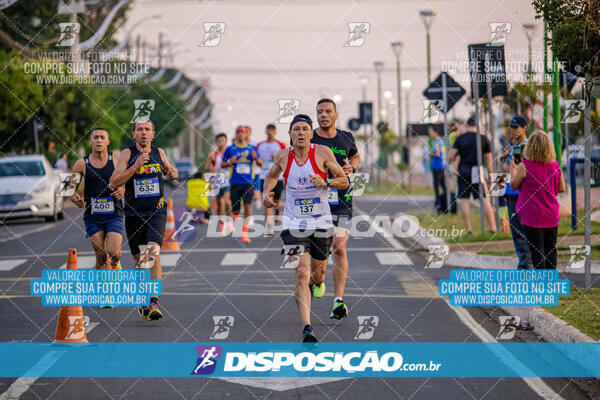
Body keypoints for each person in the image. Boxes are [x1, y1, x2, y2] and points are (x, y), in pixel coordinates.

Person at [262, 114, 349, 342]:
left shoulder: (322, 153)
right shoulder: (283, 155)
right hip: (293, 223)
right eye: (296, 129)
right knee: (301, 272)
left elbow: (344, 180)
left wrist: (326, 182)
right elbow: (271, 176)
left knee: (317, 274)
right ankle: (307, 328)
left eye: (305, 129)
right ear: (290, 134)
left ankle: (317, 283)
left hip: (321, 223)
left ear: (311, 133)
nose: (301, 133)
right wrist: (266, 192)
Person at [110, 120, 178, 321]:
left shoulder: (159, 152)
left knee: (153, 252)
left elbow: (170, 172)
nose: (143, 133)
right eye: (139, 130)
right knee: (140, 261)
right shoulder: (127, 155)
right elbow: (114, 182)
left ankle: (153, 301)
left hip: (157, 211)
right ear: (134, 134)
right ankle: (143, 298)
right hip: (133, 213)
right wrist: (135, 167)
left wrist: (172, 173)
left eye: (147, 129)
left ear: (153, 133)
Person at [310, 98, 360, 320]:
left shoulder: (346, 137)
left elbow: (355, 155)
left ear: (336, 115)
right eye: (320, 112)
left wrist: (353, 167)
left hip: (342, 199)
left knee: (339, 247)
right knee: (319, 252)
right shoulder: (309, 136)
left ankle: (338, 301)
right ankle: (317, 280)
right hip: (314, 201)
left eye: (328, 111)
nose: (324, 115)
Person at [70, 128, 125, 307]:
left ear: (108, 142)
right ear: (90, 142)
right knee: (101, 255)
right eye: (95, 137)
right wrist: (75, 198)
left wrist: (122, 190)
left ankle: (116, 264)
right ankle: (105, 295)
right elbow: (67, 188)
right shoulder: (82, 164)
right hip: (92, 217)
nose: (99, 140)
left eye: (102, 137)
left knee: (113, 251)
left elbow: (127, 182)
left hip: (114, 214)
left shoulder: (116, 161)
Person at [510, 131, 565, 269]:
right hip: (551, 215)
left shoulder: (524, 166)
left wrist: (513, 169)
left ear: (530, 147)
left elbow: (513, 185)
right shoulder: (555, 165)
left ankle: (541, 286)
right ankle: (551, 283)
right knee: (551, 250)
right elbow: (562, 188)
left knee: (537, 251)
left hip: (532, 216)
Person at [449, 116, 497, 234]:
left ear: (467, 125)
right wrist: (491, 176)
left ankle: (469, 229)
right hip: (477, 171)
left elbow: (451, 156)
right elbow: (489, 160)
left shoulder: (460, 139)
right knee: (484, 199)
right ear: (477, 125)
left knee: (464, 201)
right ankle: (493, 228)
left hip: (463, 171)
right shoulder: (483, 139)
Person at [221, 126, 263, 243]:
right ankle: (237, 216)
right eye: (238, 132)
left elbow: (260, 164)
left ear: (246, 135)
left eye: (242, 132)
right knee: (235, 210)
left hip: (248, 182)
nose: (240, 134)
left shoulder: (252, 148)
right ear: (235, 135)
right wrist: (230, 162)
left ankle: (244, 233)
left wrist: (256, 159)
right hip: (235, 182)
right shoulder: (230, 149)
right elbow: (222, 164)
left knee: (248, 207)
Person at [502, 116, 532, 269]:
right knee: (517, 229)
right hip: (512, 192)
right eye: (512, 127)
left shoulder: (523, 147)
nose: (513, 130)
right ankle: (525, 259)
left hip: (517, 193)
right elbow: (511, 170)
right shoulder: (516, 147)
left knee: (519, 230)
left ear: (524, 127)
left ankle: (525, 261)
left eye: (516, 127)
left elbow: (518, 173)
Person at [257, 124, 287, 236]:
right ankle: (269, 228)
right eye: (268, 130)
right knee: (267, 202)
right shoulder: (260, 145)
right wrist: (259, 162)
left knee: (277, 201)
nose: (270, 132)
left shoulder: (280, 144)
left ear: (275, 132)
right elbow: (256, 160)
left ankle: (278, 211)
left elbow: (286, 159)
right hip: (264, 176)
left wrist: (277, 158)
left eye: (272, 130)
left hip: (277, 177)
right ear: (266, 131)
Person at [205, 133, 233, 235]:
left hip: (228, 181)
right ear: (216, 142)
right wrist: (211, 168)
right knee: (220, 204)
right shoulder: (213, 154)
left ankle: (229, 222)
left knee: (227, 202)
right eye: (218, 141)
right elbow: (206, 166)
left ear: (226, 141)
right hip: (216, 181)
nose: (221, 143)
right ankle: (222, 224)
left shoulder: (230, 152)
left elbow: (235, 163)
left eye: (223, 141)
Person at [429, 126, 447, 213]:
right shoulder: (441, 141)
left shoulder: (437, 142)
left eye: (431, 131)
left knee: (437, 186)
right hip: (442, 166)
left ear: (435, 132)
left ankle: (438, 204)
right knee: (443, 186)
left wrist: (429, 154)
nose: (430, 133)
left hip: (437, 167)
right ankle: (445, 202)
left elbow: (437, 154)